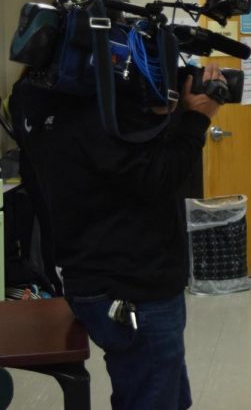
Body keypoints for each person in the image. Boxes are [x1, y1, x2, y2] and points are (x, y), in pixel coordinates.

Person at [10, 60, 226, 410]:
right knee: (153, 397)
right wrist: (197, 118)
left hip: (87, 281)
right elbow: (157, 177)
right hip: (135, 289)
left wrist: (158, 114)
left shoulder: (32, 98)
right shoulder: (99, 110)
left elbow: (110, 174)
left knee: (159, 391)